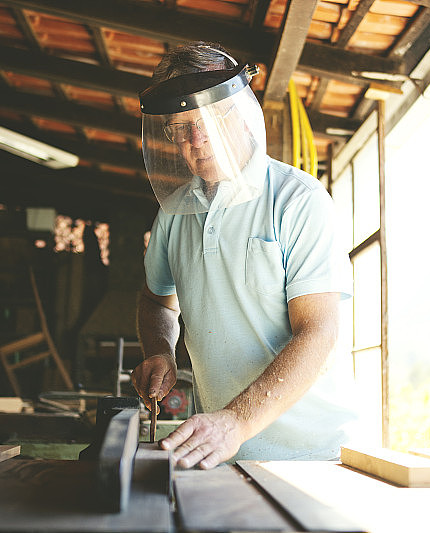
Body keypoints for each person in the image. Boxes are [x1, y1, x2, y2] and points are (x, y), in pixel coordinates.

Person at [131, 42, 359, 469]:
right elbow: (156, 300)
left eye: (207, 121)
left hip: (312, 455)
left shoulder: (298, 200)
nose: (196, 141)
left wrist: (235, 422)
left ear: (239, 114)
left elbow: (318, 333)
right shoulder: (174, 212)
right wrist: (160, 350)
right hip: (220, 451)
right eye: (181, 128)